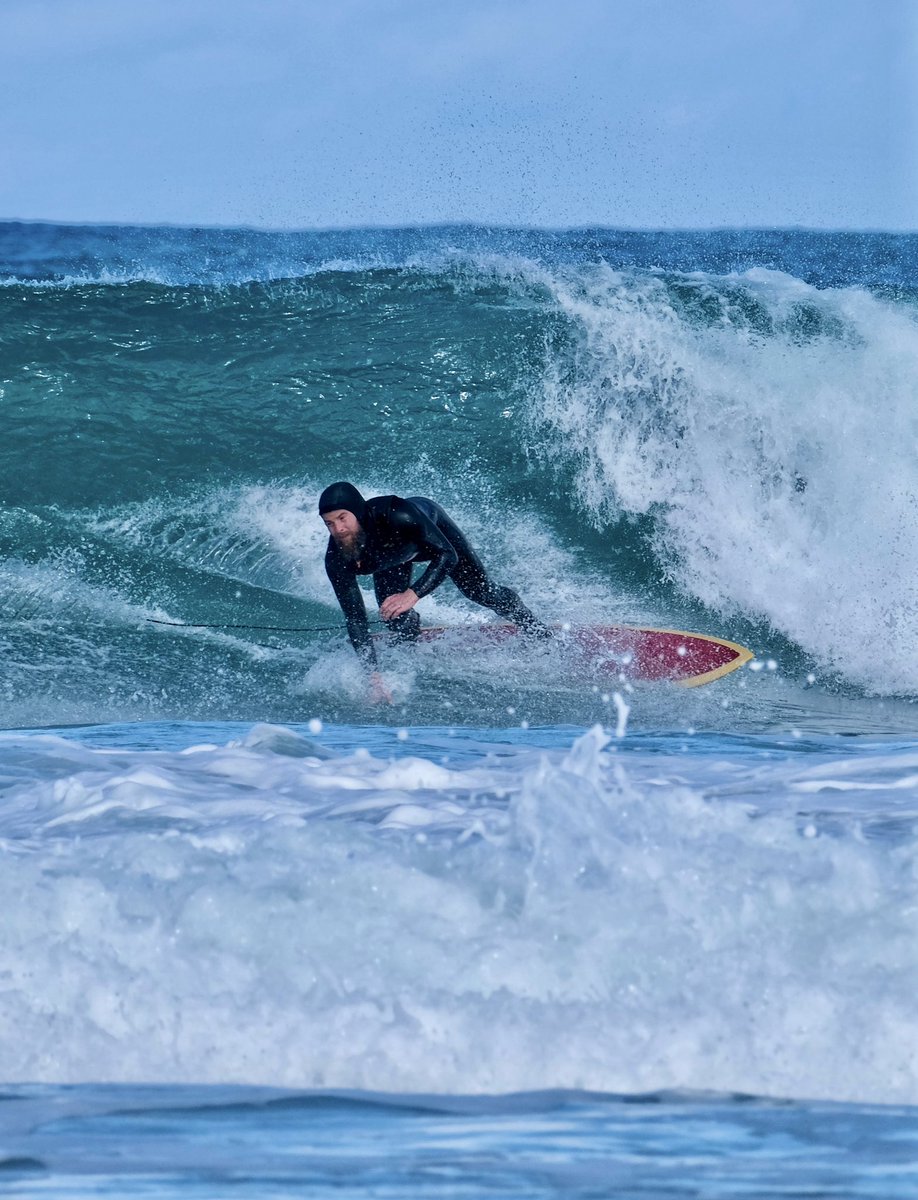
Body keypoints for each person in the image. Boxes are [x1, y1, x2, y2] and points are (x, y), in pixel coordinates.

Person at [319, 482, 549, 702]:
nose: (338, 529)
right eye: (329, 523)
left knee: (481, 592)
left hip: (433, 537)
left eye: (342, 518)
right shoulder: (337, 559)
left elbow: (448, 555)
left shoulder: (398, 514)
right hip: (394, 558)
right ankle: (409, 639)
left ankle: (537, 630)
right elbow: (356, 618)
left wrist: (412, 594)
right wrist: (374, 678)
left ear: (358, 512)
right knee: (394, 615)